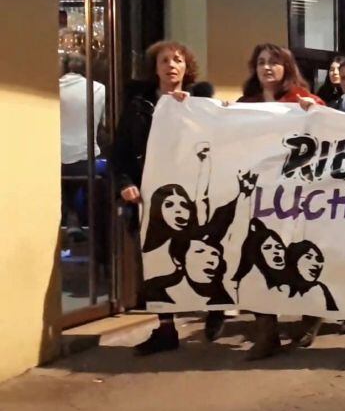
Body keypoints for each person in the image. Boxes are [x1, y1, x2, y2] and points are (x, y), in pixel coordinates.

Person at [112, 41, 221, 355]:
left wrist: (191, 111)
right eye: (164, 61)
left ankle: (216, 307)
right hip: (152, 197)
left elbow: (220, 141)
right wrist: (125, 184)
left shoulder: (201, 103)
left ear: (187, 67)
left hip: (194, 193)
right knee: (156, 260)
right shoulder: (138, 106)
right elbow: (120, 152)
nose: (171, 65)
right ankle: (165, 328)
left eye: (177, 60)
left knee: (206, 249)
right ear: (155, 68)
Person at [236, 43, 325, 360]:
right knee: (260, 256)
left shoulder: (303, 100)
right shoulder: (246, 105)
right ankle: (266, 331)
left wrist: (314, 113)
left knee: (299, 253)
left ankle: (310, 318)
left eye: (274, 62)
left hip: (296, 196)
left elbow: (330, 132)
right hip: (259, 195)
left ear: (286, 67)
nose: (267, 67)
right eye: (261, 62)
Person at [59, 54, 105, 242]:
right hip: (86, 160)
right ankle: (84, 222)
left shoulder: (53, 89)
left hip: (56, 160)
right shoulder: (99, 88)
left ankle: (71, 216)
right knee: (102, 171)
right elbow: (104, 124)